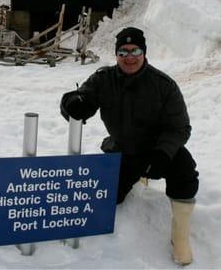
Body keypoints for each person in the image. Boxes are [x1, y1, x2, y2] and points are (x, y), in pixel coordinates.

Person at [60, 27, 199, 265]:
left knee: (185, 173)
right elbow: (83, 97)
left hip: (158, 151)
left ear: (144, 53)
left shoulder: (164, 85)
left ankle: (180, 236)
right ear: (116, 55)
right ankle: (134, 179)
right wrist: (72, 103)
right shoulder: (104, 79)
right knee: (108, 198)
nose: (129, 57)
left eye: (135, 50)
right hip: (123, 150)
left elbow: (179, 127)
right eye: (123, 52)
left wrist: (163, 154)